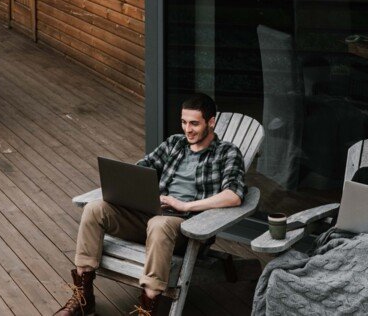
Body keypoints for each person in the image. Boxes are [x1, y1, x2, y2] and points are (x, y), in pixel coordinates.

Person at [54, 93, 246, 316]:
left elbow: (234, 195)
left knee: (159, 224)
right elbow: (141, 168)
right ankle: (84, 300)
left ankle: (147, 310)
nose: (188, 129)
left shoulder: (227, 153)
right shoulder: (175, 143)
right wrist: (134, 189)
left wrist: (185, 206)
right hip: (150, 215)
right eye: (184, 122)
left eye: (194, 123)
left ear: (211, 122)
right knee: (94, 209)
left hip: (185, 227)